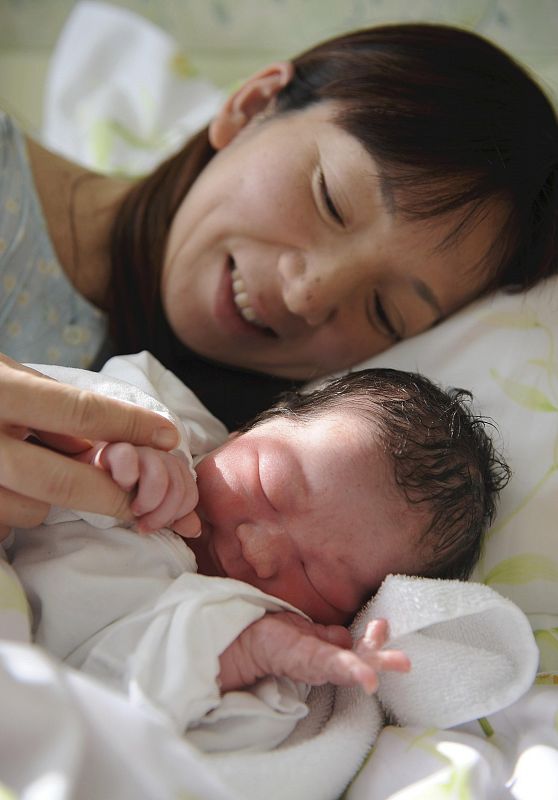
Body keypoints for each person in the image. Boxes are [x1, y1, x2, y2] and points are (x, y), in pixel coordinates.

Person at [0, 22, 555, 532]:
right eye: (331, 201)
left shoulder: (228, 482)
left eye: (384, 311)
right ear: (252, 105)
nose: (306, 294)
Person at [4, 352, 510, 749]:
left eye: (316, 576)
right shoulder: (165, 426)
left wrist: (243, 652)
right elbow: (56, 402)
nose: (260, 552)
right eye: (270, 485)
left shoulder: (261, 644)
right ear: (247, 427)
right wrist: (115, 447)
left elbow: (138, 714)